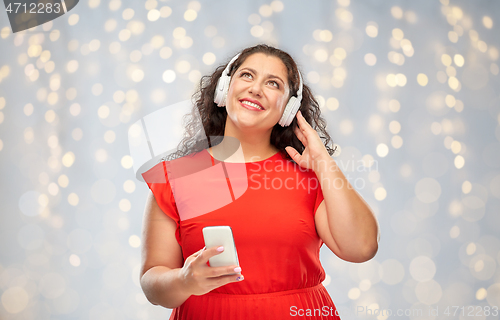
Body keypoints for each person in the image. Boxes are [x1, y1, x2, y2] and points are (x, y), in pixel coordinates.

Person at [140, 44, 379, 319]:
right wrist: (185, 280)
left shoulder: (311, 177)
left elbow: (362, 247)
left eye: (273, 83)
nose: (256, 88)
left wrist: (325, 164)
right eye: (247, 75)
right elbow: (152, 282)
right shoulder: (174, 177)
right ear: (224, 89)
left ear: (289, 108)